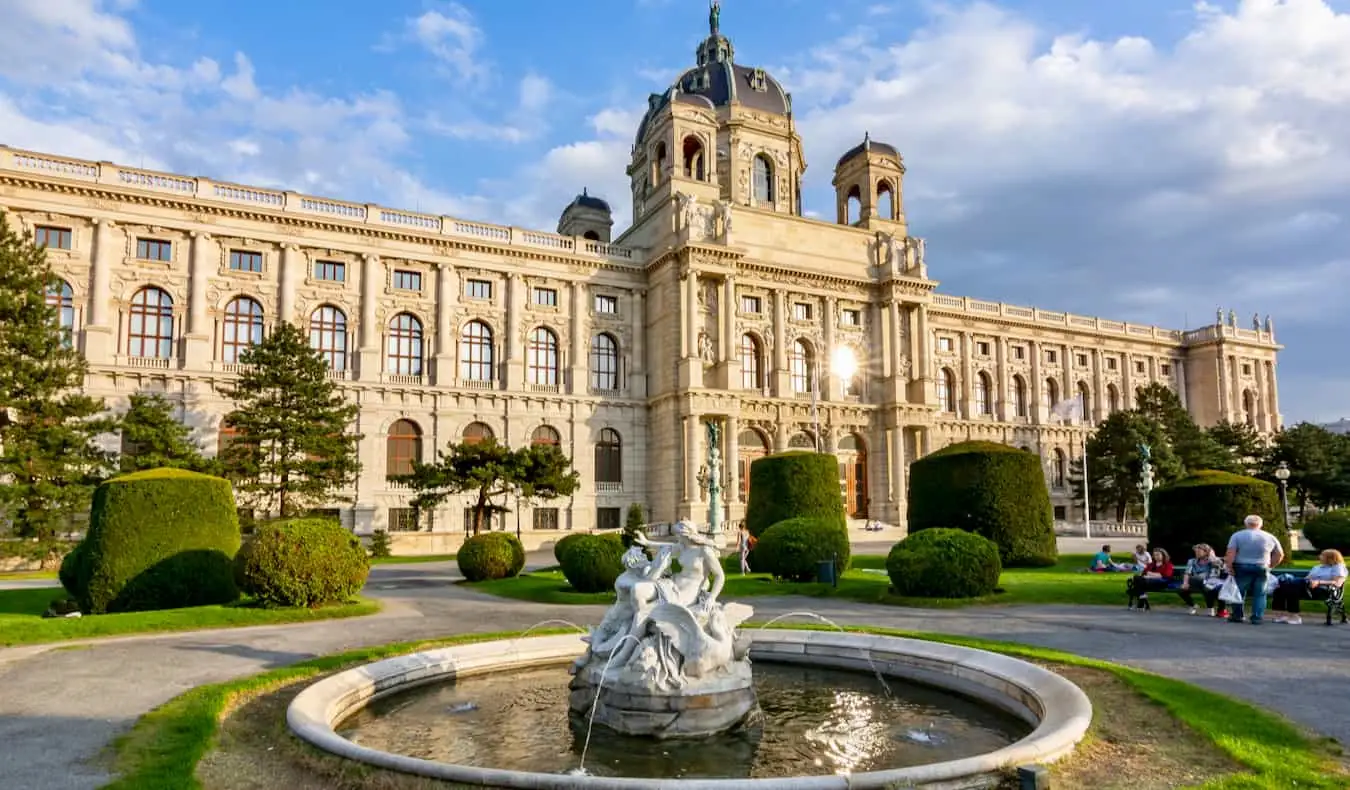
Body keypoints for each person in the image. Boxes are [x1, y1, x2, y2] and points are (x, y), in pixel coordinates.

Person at [1224, 514, 1285, 625]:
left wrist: (1229, 566)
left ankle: (1237, 615)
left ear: (1246, 523)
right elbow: (1280, 554)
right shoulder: (1269, 536)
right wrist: (1271, 566)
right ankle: (1256, 617)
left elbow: (1231, 552)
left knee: (1239, 592)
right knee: (1260, 593)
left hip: (1241, 566)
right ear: (1260, 525)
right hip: (1262, 566)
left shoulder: (1237, 536)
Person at [1271, 549, 1347, 625]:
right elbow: (1307, 578)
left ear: (1331, 558)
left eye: (1322, 555)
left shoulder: (1338, 567)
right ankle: (1280, 615)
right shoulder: (1317, 567)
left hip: (1324, 590)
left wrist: (1318, 582)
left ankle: (1295, 617)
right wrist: (1309, 581)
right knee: (1280, 588)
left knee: (1289, 585)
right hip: (1307, 587)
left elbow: (1338, 583)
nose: (1319, 556)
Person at [1178, 543, 1226, 617]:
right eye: (1196, 552)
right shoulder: (1192, 561)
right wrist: (1185, 583)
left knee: (1207, 588)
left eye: (1199, 552)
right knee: (1181, 589)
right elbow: (1187, 573)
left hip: (1210, 583)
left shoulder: (1213, 560)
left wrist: (1212, 557)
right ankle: (1193, 605)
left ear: (1206, 552)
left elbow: (1221, 566)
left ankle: (1210, 608)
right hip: (1195, 582)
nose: (1196, 553)